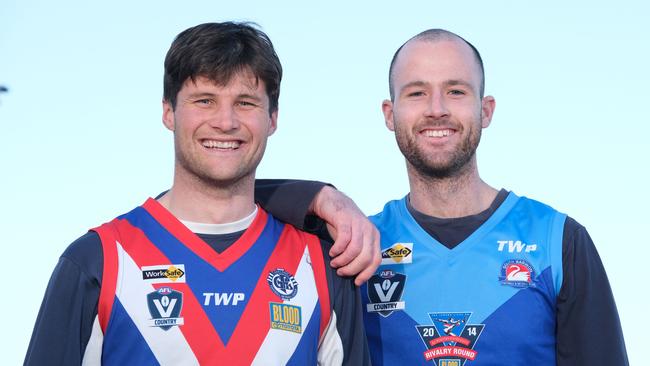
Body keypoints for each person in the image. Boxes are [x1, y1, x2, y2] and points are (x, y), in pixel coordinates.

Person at [269, 29, 629, 365]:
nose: (436, 108)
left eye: (456, 91)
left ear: (485, 110)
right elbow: (223, 197)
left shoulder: (557, 241)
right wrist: (319, 196)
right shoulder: (355, 246)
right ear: (390, 115)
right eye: (416, 92)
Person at [24, 22, 371, 365]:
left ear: (273, 118)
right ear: (168, 112)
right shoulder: (97, 261)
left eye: (246, 103)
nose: (225, 121)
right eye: (204, 100)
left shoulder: (321, 266)